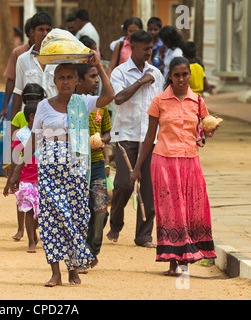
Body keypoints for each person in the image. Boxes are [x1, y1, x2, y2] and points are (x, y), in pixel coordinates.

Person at [19, 51, 115, 287]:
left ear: (76, 81)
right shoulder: (43, 106)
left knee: (76, 219)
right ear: (54, 81)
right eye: (61, 77)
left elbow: (109, 95)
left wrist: (99, 67)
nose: (65, 82)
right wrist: (15, 172)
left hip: (76, 171)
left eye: (69, 77)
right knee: (52, 219)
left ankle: (73, 268)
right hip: (50, 170)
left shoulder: (83, 103)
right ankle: (56, 273)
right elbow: (33, 140)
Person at [130, 56, 218, 276]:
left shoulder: (197, 101)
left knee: (191, 208)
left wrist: (210, 129)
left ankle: (186, 258)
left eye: (184, 74)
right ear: (169, 75)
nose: (181, 79)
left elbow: (204, 129)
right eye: (176, 75)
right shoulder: (159, 100)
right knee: (170, 210)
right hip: (164, 161)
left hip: (190, 160)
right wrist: (137, 167)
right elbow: (150, 136)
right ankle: (172, 261)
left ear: (189, 75)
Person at [107, 30, 164, 248]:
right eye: (145, 48)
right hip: (126, 137)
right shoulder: (119, 73)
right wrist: (140, 82)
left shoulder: (156, 74)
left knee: (149, 188)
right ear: (133, 48)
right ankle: (116, 221)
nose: (149, 52)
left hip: (151, 139)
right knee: (123, 183)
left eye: (151, 48)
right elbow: (118, 98)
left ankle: (144, 236)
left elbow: (160, 106)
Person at [75, 63, 111, 273]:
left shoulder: (101, 106)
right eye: (93, 76)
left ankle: (91, 250)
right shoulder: (70, 104)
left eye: (98, 77)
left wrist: (101, 140)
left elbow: (108, 132)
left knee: (99, 210)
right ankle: (80, 255)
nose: (97, 80)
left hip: (96, 163)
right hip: (76, 164)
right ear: (79, 80)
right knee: (79, 211)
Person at [10, 83, 45, 241]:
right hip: (25, 172)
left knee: (38, 207)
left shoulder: (46, 130)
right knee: (23, 203)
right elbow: (15, 148)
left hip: (41, 173)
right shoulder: (19, 118)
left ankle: (32, 231)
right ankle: (22, 229)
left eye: (37, 98)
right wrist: (12, 170)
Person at [4, 101, 39, 253]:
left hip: (43, 177)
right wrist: (10, 180)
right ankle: (31, 240)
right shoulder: (21, 135)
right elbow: (15, 158)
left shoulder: (47, 133)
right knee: (29, 210)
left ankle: (34, 232)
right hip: (27, 177)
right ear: (32, 117)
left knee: (41, 210)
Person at [11, 12, 56, 121]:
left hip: (54, 118)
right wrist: (12, 126)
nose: (45, 34)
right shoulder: (23, 60)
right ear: (32, 32)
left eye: (48, 30)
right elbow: (18, 92)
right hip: (29, 120)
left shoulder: (58, 60)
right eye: (41, 30)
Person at [0, 18, 34, 119]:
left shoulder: (49, 54)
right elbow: (11, 80)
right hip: (24, 106)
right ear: (30, 32)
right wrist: (5, 105)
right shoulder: (19, 53)